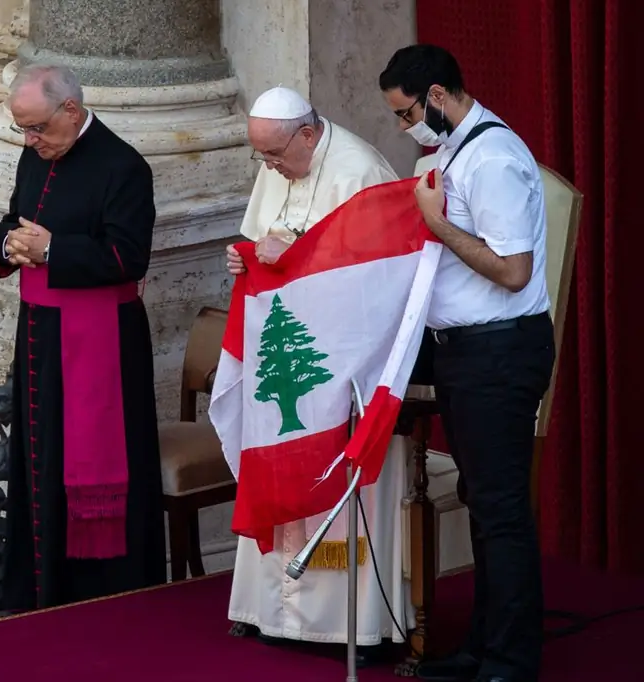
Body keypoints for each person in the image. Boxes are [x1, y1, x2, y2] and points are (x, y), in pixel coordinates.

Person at [379, 45, 555, 682]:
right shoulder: (449, 151)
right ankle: (483, 649)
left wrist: (437, 225)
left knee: (501, 509)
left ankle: (511, 660)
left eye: (405, 114)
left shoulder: (496, 157)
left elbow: (513, 271)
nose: (405, 129)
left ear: (435, 96)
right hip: (465, 354)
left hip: (501, 350)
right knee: (484, 504)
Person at [225, 86, 415, 665]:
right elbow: (260, 238)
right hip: (286, 353)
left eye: (276, 156)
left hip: (343, 365)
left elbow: (380, 278)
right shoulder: (279, 159)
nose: (271, 169)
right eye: (262, 159)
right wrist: (246, 257)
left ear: (307, 134)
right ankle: (269, 612)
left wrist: (299, 254)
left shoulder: (361, 171)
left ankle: (340, 623)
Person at [0, 63, 167, 611]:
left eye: (38, 127)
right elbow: (13, 219)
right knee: (38, 460)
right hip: (40, 335)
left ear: (71, 110)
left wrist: (52, 251)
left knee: (89, 464)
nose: (30, 140)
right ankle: (36, 589)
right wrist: (9, 246)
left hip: (101, 348)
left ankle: (102, 596)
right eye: (23, 129)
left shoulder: (123, 167)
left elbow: (127, 256)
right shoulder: (35, 153)